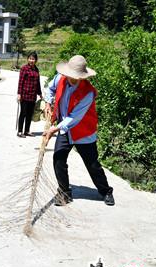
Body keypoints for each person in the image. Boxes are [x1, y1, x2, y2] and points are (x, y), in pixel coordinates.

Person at [43, 55, 115, 207]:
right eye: (72, 75)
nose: (74, 79)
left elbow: (74, 118)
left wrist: (53, 129)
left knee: (92, 164)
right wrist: (48, 102)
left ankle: (106, 191)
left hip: (83, 132)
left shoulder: (88, 93)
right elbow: (50, 89)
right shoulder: (60, 78)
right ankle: (64, 193)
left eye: (77, 76)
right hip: (65, 130)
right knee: (58, 159)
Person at [17, 51, 42, 137]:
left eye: (33, 59)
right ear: (27, 59)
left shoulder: (36, 69)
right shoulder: (24, 68)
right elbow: (21, 82)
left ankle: (27, 131)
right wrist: (19, 94)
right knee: (23, 113)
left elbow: (38, 83)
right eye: (30, 58)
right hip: (24, 95)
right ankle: (20, 131)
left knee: (29, 114)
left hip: (33, 96)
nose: (31, 60)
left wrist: (40, 93)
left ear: (36, 60)